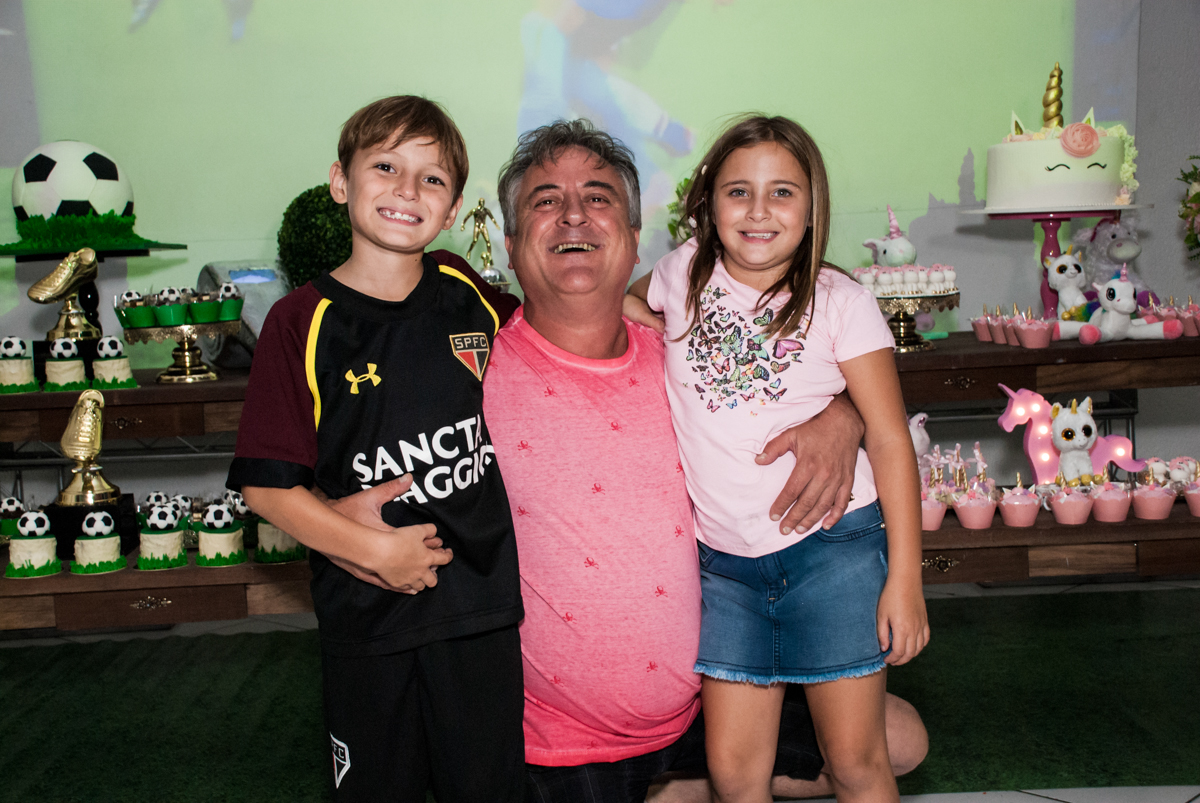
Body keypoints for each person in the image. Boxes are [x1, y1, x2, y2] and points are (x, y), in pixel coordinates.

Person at [329, 119, 928, 803]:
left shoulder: (681, 349)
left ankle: (682, 781)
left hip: (704, 689)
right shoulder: (474, 367)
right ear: (513, 244)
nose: (575, 214)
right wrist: (336, 521)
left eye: (599, 197)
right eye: (546, 200)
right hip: (563, 738)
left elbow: (799, 362)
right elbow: (367, 436)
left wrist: (841, 412)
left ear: (637, 240)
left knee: (898, 740)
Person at [227, 96, 526, 803]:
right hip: (369, 617)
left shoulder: (464, 290)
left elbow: (550, 329)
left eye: (431, 178)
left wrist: (643, 305)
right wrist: (373, 551)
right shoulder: (300, 321)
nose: (406, 190)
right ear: (340, 181)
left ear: (453, 207)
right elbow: (268, 487)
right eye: (386, 167)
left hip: (479, 610)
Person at [627, 115, 929, 802]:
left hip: (833, 555)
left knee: (853, 760)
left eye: (782, 192)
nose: (758, 211)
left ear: (812, 206)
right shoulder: (679, 275)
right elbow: (621, 304)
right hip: (723, 567)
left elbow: (886, 437)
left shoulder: (842, 302)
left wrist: (905, 577)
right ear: (705, 202)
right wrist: (638, 325)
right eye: (738, 191)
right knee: (735, 773)